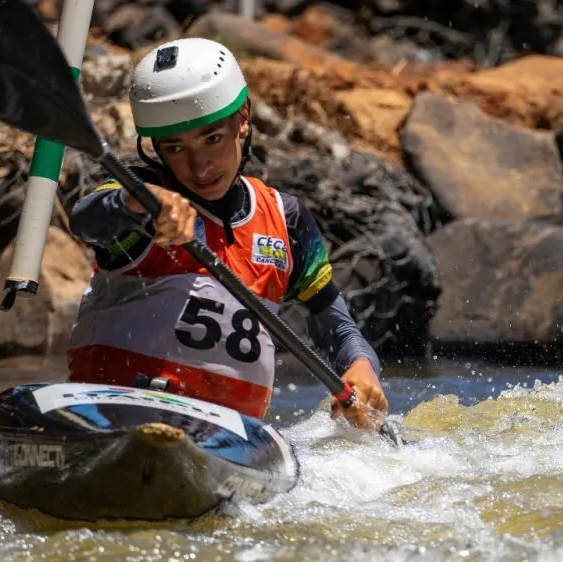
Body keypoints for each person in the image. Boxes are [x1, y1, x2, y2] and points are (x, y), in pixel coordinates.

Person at [66, 37, 389, 430]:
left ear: (243, 119)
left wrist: (361, 365)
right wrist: (138, 203)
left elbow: (335, 324)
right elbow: (86, 220)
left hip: (228, 442)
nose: (199, 167)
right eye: (175, 148)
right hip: (111, 420)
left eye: (212, 139)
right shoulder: (138, 194)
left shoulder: (285, 218)